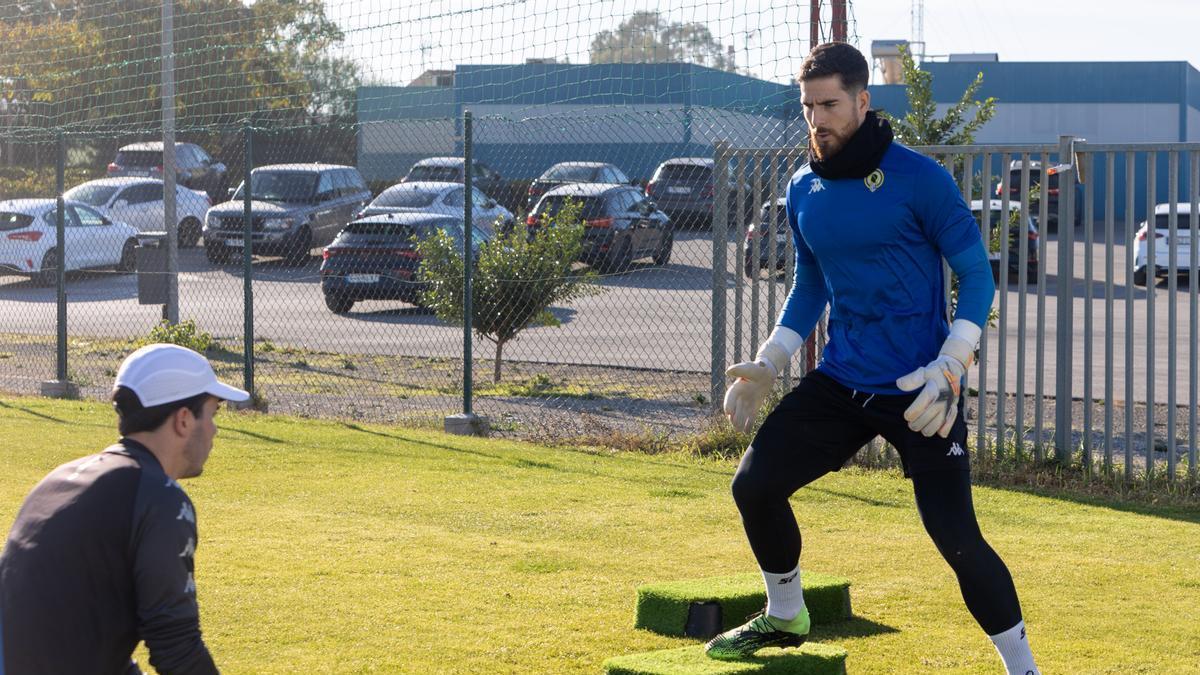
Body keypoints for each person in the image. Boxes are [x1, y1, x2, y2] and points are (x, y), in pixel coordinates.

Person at [705, 43, 1039, 675]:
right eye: (807, 107)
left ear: (863, 100)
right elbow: (810, 285)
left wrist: (952, 364)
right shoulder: (803, 185)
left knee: (958, 541)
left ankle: (1023, 668)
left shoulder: (920, 179)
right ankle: (785, 617)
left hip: (921, 390)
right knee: (754, 485)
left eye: (830, 104)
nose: (817, 120)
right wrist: (772, 359)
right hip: (841, 381)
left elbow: (977, 275)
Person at [0, 343, 248, 675]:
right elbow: (175, 645)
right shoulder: (160, 499)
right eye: (213, 413)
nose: (215, 429)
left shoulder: (58, 478)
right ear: (184, 420)